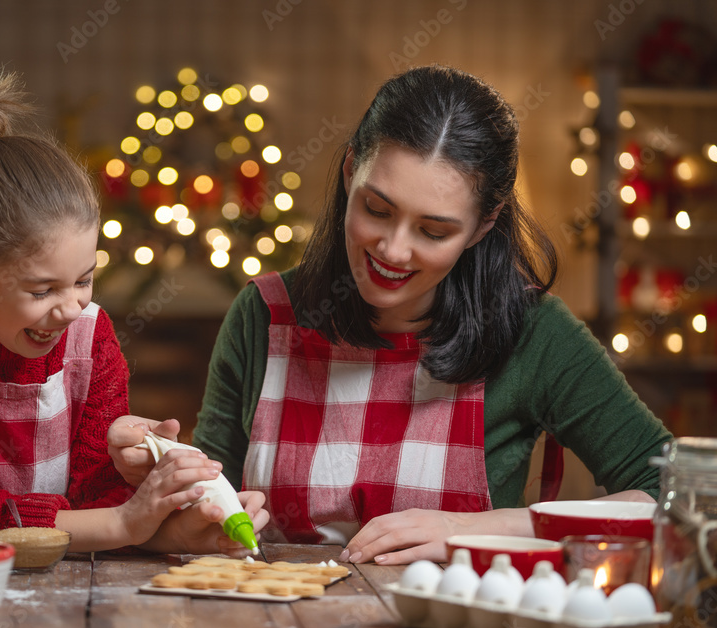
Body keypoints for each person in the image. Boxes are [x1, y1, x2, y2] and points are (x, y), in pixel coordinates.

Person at [109, 65, 671, 565]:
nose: (394, 251)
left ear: (483, 224)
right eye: (377, 209)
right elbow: (209, 519)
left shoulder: (533, 333)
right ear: (351, 170)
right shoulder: (263, 318)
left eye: (434, 230)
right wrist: (170, 480)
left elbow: (670, 493)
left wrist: (474, 530)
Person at [0, 70, 266, 555]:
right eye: (41, 291)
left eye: (83, 280)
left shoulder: (90, 337)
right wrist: (126, 524)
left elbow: (98, 500)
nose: (71, 309)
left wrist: (152, 493)